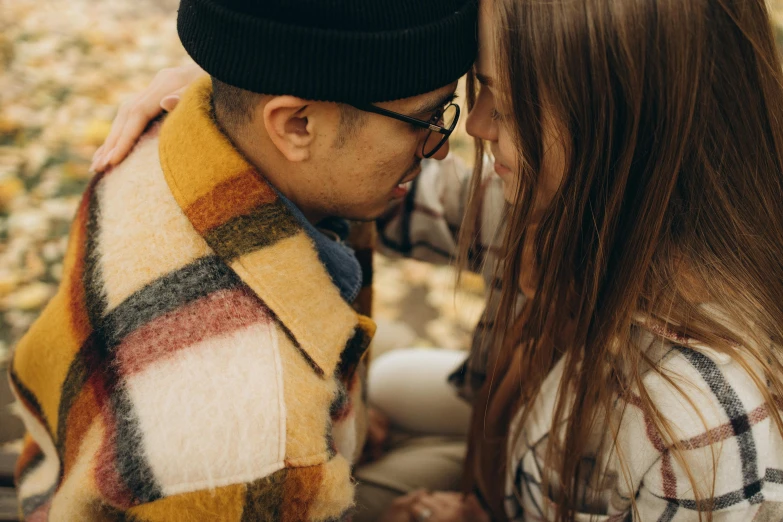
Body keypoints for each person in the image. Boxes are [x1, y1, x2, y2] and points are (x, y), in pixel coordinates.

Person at [94, 0, 783, 519]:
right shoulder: (566, 207)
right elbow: (366, 173)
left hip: (519, 480)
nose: (474, 129)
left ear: (621, 134)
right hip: (509, 442)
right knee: (390, 380)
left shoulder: (701, 431)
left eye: (502, 106)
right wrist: (252, 79)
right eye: (474, 95)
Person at [8, 0, 478, 519]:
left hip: (63, 462)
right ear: (297, 124)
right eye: (426, 120)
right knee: (462, 460)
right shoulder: (265, 448)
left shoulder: (172, 126)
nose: (439, 151)